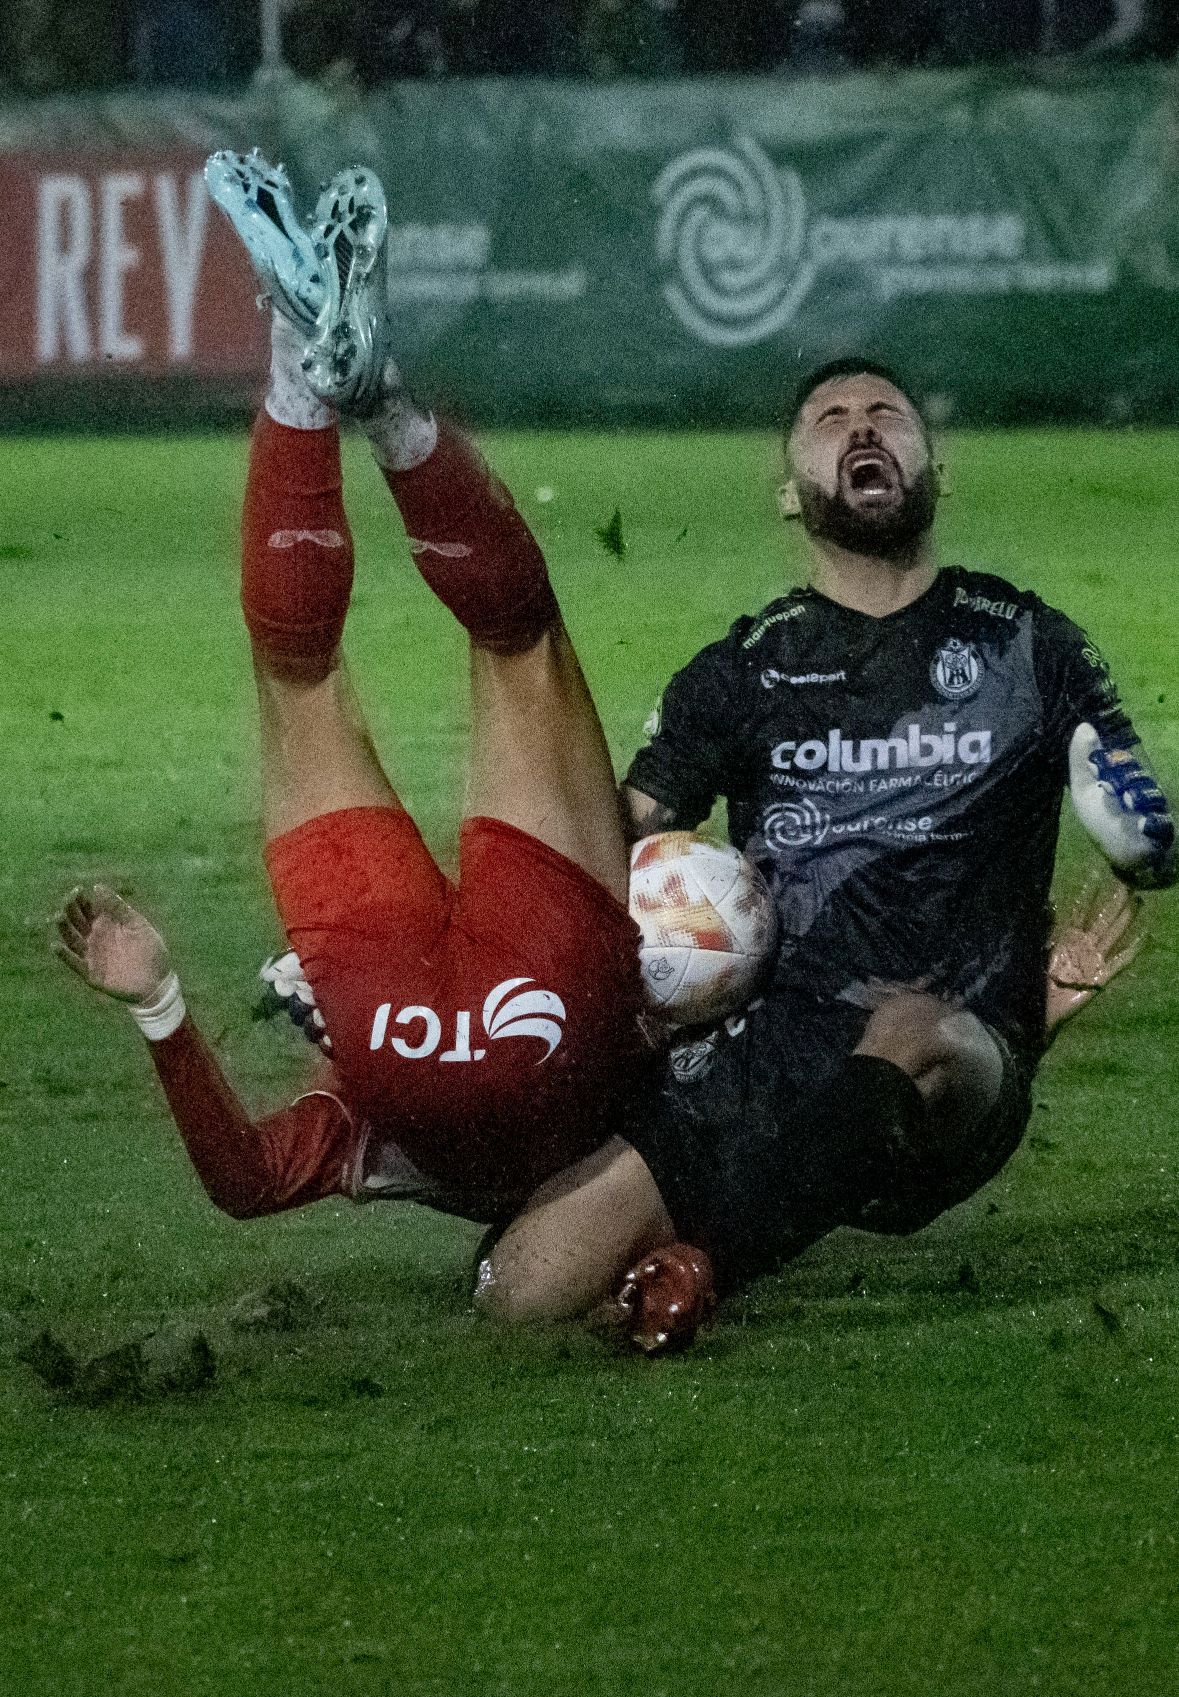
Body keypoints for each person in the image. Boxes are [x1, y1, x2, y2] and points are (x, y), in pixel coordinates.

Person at [474, 359, 1174, 1328]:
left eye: (888, 413)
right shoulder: (740, 672)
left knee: (913, 1028)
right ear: (789, 492)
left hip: (959, 1057)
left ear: (936, 467)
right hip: (777, 1047)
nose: (862, 427)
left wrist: (1143, 837)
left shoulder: (1029, 643)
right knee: (520, 1294)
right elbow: (606, 850)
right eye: (830, 418)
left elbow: (1141, 821)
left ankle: (706, 1262)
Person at [55, 152, 648, 1234]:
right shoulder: (378, 1112)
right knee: (303, 671)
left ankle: (371, 401)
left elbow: (244, 1183)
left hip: (511, 1018)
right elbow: (248, 1185)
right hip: (439, 1025)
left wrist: (163, 1006)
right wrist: (156, 1002)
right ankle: (301, 371)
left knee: (513, 642)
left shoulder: (375, 1119)